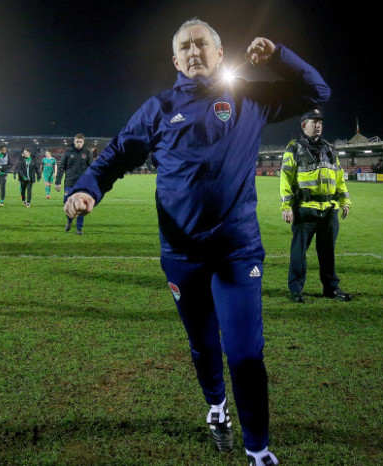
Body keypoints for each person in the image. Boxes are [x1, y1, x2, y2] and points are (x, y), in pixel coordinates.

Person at [64, 18, 331, 466]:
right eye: (184, 46)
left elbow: (317, 94)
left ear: (219, 52)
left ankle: (258, 449)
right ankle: (216, 408)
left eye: (201, 43)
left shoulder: (248, 97)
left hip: (237, 250)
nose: (193, 51)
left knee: (245, 353)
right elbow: (117, 153)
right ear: (175, 60)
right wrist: (88, 185)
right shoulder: (160, 106)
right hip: (182, 253)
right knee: (203, 343)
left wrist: (279, 57)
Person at [280, 108, 352, 303]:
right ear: (304, 125)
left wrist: (345, 200)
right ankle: (296, 290)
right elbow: (285, 177)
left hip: (329, 210)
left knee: (328, 252)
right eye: (314, 122)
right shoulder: (294, 148)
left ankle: (331, 289)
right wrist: (286, 205)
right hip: (304, 209)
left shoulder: (329, 148)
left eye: (320, 122)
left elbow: (338, 177)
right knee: (299, 252)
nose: (318, 125)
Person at [55, 134, 92, 234]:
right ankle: (69, 221)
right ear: (74, 142)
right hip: (69, 183)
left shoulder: (87, 153)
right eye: (77, 142)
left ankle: (79, 228)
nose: (78, 143)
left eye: (80, 142)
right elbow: (61, 167)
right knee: (68, 204)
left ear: (83, 142)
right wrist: (58, 181)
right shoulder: (67, 153)